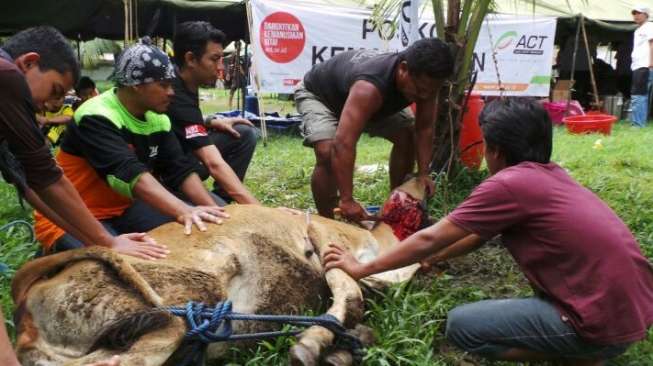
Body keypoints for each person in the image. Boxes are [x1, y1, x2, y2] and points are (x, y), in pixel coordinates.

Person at [323, 98, 653, 366]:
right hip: (634, 313)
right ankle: (586, 346)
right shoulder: (551, 176)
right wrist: (435, 257)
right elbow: (475, 235)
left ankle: (580, 354)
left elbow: (430, 236)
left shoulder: (509, 184)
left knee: (463, 327)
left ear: (495, 151)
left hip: (601, 326)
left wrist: (361, 267)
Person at [0, 26, 159, 366]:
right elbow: (46, 176)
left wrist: (96, 240)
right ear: (29, 63)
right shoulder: (6, 76)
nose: (49, 104)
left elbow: (29, 185)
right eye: (55, 90)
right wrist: (108, 241)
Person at [34, 38, 229, 254]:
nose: (171, 92)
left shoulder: (158, 119)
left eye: (171, 85)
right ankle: (50, 252)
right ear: (136, 85)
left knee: (195, 233)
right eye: (163, 85)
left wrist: (211, 212)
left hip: (123, 209)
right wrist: (183, 210)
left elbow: (180, 170)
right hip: (73, 217)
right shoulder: (96, 115)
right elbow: (129, 174)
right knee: (112, 267)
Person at [295, 38, 454, 221]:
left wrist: (424, 173)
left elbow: (424, 128)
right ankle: (327, 221)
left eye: (430, 91)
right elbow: (344, 143)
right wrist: (347, 199)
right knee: (327, 152)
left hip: (368, 103)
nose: (424, 96)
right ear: (403, 69)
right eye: (419, 89)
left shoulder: (425, 84)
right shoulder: (370, 87)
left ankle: (395, 208)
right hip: (321, 96)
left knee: (407, 136)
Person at [168, 21, 259, 204]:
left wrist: (210, 121)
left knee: (243, 132)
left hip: (185, 154)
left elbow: (182, 121)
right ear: (191, 59)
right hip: (169, 169)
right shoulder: (172, 94)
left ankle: (224, 196)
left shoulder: (184, 80)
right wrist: (262, 211)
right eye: (214, 59)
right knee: (222, 214)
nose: (221, 67)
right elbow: (213, 163)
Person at [630, 5, 653, 127]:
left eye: (639, 13)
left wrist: (651, 63)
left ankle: (638, 124)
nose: (636, 15)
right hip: (638, 65)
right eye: (634, 13)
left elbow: (652, 44)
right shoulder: (638, 30)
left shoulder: (649, 26)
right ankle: (639, 122)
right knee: (641, 94)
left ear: (646, 15)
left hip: (645, 65)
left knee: (638, 94)